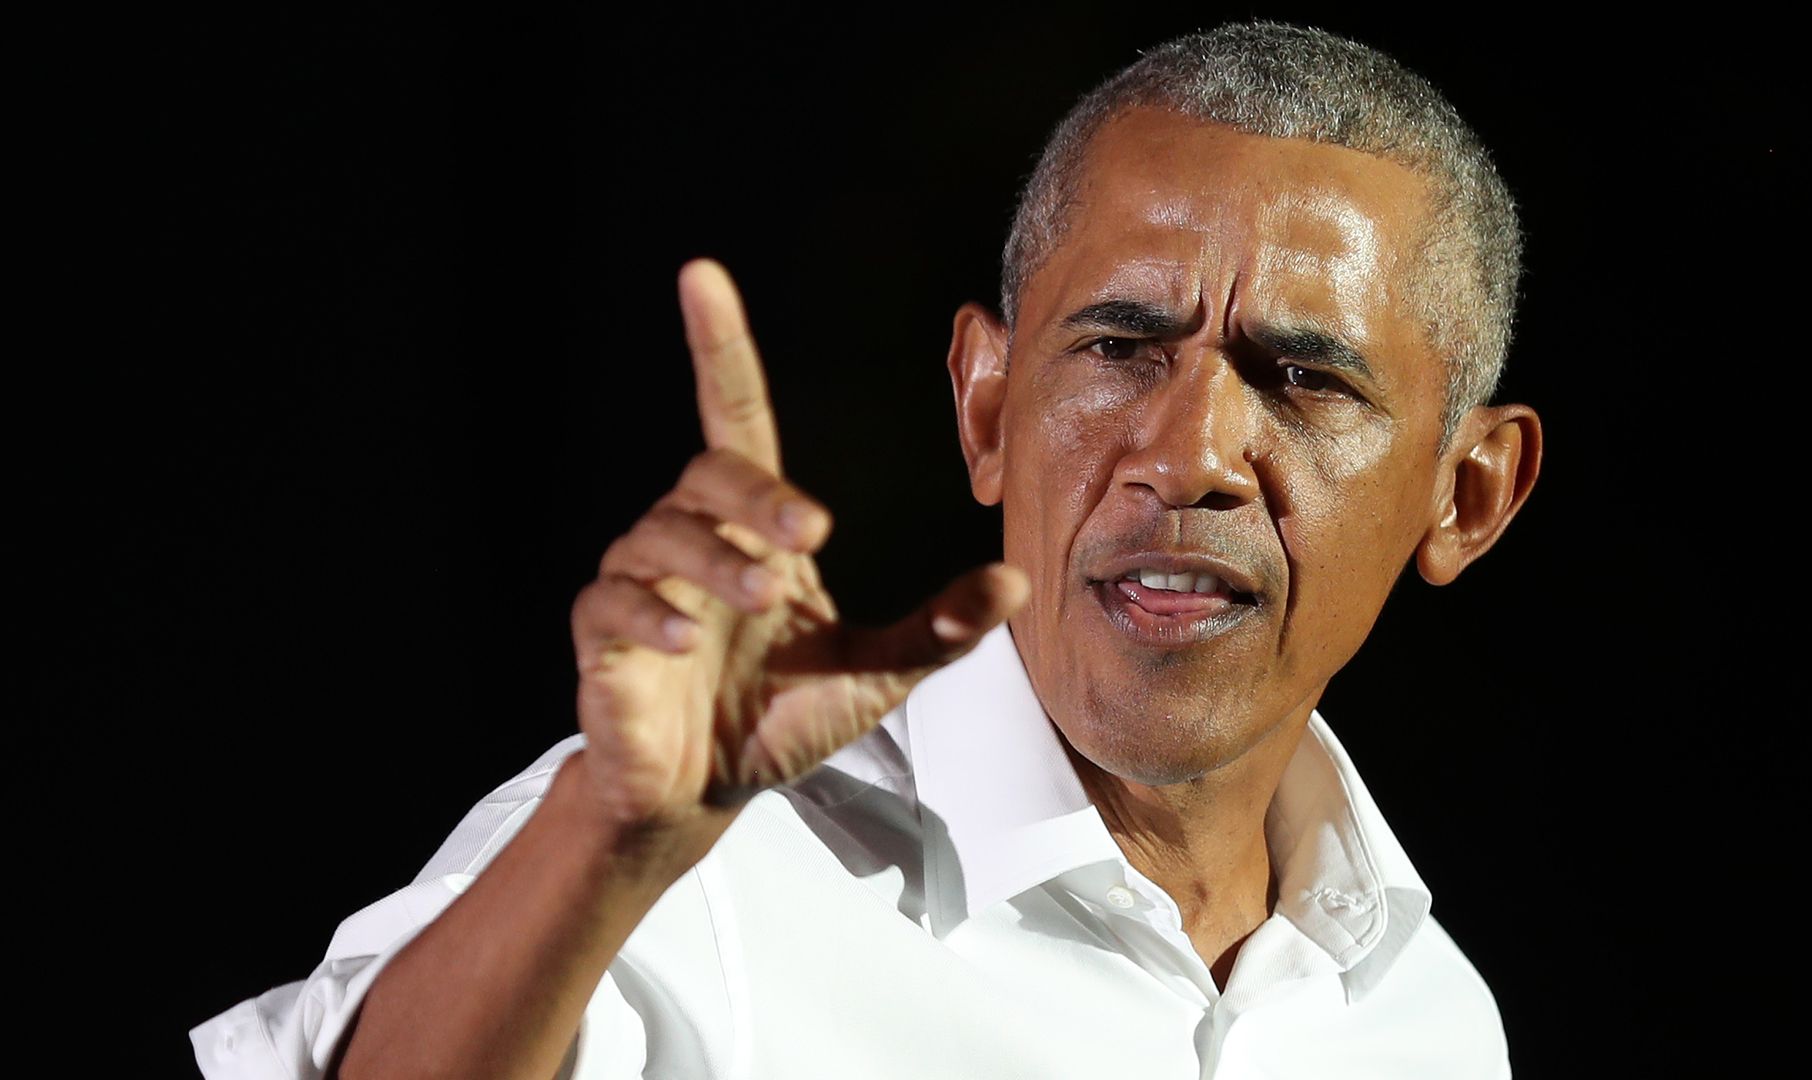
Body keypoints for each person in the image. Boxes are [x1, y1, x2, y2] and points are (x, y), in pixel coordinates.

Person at [190, 20, 1542, 1079]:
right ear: (987, 408)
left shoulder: (1427, 1019)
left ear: (1467, 494)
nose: (1186, 455)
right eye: (1121, 349)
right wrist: (607, 839)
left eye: (1302, 380)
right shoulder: (689, 865)